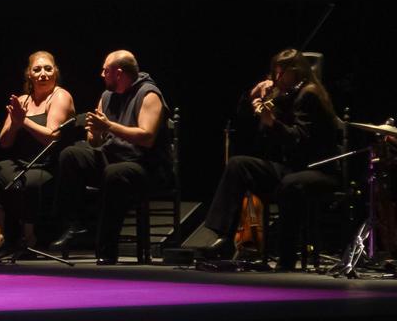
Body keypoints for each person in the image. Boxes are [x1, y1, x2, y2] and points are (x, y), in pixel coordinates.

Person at [200, 48, 341, 271]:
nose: (274, 79)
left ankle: (286, 258)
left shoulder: (309, 94)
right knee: (239, 165)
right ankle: (223, 238)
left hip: (319, 169)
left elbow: (299, 140)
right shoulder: (287, 94)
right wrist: (253, 97)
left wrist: (272, 123)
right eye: (273, 74)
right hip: (292, 167)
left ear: (294, 72)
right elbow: (247, 125)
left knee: (290, 185)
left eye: (279, 74)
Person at [51, 50, 170, 265]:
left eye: (105, 70)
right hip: (112, 158)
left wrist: (108, 126)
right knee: (72, 155)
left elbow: (147, 138)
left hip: (142, 165)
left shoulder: (149, 94)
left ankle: (107, 247)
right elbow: (94, 142)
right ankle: (77, 224)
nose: (101, 74)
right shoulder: (106, 96)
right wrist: (95, 133)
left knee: (114, 173)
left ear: (118, 73)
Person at [0, 51, 75, 257]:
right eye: (37, 69)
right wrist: (14, 124)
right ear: (29, 75)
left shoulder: (60, 96)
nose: (43, 73)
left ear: (55, 72)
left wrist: (23, 121)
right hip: (22, 162)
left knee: (28, 181)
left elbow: (51, 137)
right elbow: (4, 142)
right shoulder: (22, 100)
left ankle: (29, 237)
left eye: (48, 68)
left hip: (49, 164)